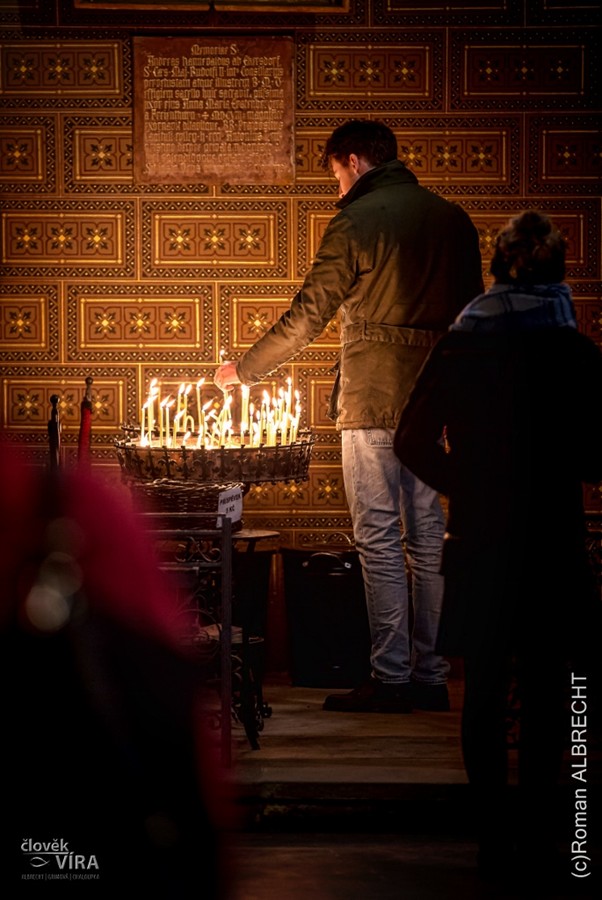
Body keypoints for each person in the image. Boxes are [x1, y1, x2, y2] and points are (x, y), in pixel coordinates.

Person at [215, 119, 483, 713]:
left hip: (373, 398)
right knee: (428, 538)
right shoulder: (452, 219)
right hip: (437, 400)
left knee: (379, 537)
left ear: (355, 161)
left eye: (336, 174)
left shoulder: (357, 219)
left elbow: (310, 312)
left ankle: (390, 678)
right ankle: (431, 676)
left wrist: (246, 369)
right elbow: (472, 316)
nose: (338, 187)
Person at [394, 211, 602, 882]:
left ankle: (492, 840)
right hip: (553, 542)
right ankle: (544, 839)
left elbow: (409, 440)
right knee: (549, 692)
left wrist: (471, 485)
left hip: (482, 540)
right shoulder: (575, 353)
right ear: (559, 274)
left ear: (495, 270)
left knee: (483, 690)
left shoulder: (462, 345)